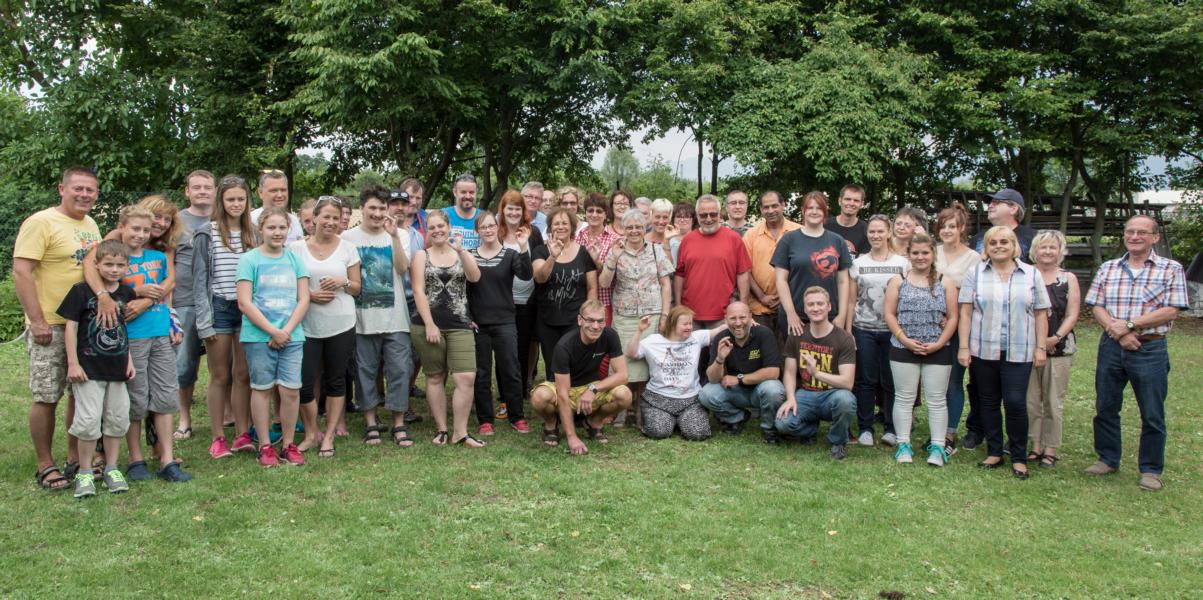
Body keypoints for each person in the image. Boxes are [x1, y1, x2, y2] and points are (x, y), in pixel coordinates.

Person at [14, 166, 103, 491]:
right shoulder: (41, 222)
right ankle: (45, 464)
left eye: (90, 190)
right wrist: (37, 320)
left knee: (79, 393)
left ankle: (74, 457)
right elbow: (22, 272)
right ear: (62, 189)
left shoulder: (90, 224)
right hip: (51, 323)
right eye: (78, 188)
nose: (84, 195)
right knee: (47, 395)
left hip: (82, 324)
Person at [1085, 215, 1188, 491]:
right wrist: (1118, 332)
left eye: (1142, 232)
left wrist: (1130, 325)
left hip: (1149, 347)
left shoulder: (1170, 268)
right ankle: (1107, 459)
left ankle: (1150, 469)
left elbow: (1172, 309)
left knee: (1152, 411)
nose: (1134, 236)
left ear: (1155, 237)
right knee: (1106, 406)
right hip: (1111, 346)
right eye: (1130, 231)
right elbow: (1096, 305)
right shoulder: (1109, 268)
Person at [957, 226, 1050, 480]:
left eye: (1004, 242)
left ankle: (1018, 456)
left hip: (1019, 350)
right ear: (987, 247)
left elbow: (1041, 313)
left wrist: (1041, 347)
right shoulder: (975, 273)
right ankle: (995, 451)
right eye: (993, 242)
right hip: (983, 349)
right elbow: (966, 312)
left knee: (1015, 402)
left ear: (1014, 245)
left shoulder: (1031, 274)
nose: (999, 246)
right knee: (987, 402)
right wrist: (964, 347)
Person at [115, 205, 190, 482]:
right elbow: (108, 290)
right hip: (132, 335)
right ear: (122, 227)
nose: (141, 234)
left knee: (166, 395)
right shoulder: (116, 258)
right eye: (135, 228)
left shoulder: (158, 257)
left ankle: (167, 459)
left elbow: (168, 291)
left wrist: (173, 323)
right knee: (136, 396)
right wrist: (136, 291)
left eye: (146, 230)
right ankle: (136, 459)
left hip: (160, 333)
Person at [57, 240, 137, 497]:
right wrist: (73, 363)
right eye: (109, 264)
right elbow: (70, 327)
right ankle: (84, 471)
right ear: (97, 265)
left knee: (117, 419)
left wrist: (129, 360)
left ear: (127, 266)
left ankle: (112, 468)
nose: (114, 270)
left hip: (118, 368)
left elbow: (123, 330)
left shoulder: (126, 293)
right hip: (88, 369)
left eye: (120, 265)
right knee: (89, 421)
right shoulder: (81, 292)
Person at [237, 207, 311, 467]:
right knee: (262, 389)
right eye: (271, 227)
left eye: (282, 227)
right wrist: (272, 331)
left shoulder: (295, 260)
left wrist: (285, 331)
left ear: (288, 230)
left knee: (290, 390)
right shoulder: (249, 260)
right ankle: (266, 445)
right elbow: (245, 302)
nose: (277, 232)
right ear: (261, 229)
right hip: (259, 336)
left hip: (292, 336)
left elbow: (304, 298)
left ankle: (289, 444)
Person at [342, 185, 415, 446]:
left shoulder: (400, 234)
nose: (376, 213)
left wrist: (393, 236)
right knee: (365, 371)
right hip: (361, 319)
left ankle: (398, 422)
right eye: (372, 207)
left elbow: (403, 268)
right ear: (362, 208)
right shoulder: (348, 238)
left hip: (396, 318)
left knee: (400, 370)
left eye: (381, 208)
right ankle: (371, 422)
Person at [290, 197, 361, 457]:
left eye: (336, 218)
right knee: (304, 382)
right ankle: (311, 433)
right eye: (326, 217)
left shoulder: (348, 248)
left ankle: (329, 435)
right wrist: (309, 295)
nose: (331, 222)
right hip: (306, 324)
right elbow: (288, 285)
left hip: (341, 323)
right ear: (315, 218)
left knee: (336, 380)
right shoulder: (296, 248)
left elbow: (357, 288)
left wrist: (343, 282)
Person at [192, 175, 255, 458]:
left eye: (241, 199)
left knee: (243, 374)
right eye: (230, 199)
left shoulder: (254, 233)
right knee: (220, 375)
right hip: (218, 307)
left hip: (247, 308)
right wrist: (203, 321)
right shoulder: (207, 233)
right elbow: (199, 280)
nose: (236, 204)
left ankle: (242, 433)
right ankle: (218, 437)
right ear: (221, 200)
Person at [884, 232, 959, 466]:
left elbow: (953, 317)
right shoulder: (898, 281)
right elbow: (889, 314)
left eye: (925, 252)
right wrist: (904, 339)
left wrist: (939, 343)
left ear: (933, 254)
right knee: (904, 398)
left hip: (937, 348)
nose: (920, 257)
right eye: (915, 253)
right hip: (903, 347)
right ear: (909, 254)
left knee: (937, 399)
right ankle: (903, 444)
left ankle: (937, 447)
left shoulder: (945, 282)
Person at [411, 210, 483, 447]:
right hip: (427, 325)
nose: (437, 231)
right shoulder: (421, 255)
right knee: (435, 376)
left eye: (441, 226)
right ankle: (442, 429)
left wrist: (461, 251)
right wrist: (430, 324)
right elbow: (418, 291)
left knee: (466, 377)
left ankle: (460, 432)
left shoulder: (461, 252)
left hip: (460, 323)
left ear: (449, 227)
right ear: (427, 231)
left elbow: (475, 277)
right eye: (432, 227)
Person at [599, 209, 674, 427]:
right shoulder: (616, 249)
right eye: (629, 227)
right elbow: (604, 282)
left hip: (651, 315)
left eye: (638, 227)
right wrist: (613, 257)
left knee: (645, 363)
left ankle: (641, 410)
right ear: (623, 228)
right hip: (624, 316)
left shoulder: (656, 250)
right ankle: (622, 409)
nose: (634, 231)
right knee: (623, 363)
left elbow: (666, 284)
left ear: (644, 228)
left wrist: (664, 315)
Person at [530, 300, 632, 455]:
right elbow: (563, 394)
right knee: (539, 397)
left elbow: (623, 375)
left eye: (600, 321)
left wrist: (593, 388)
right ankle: (551, 423)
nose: (596, 326)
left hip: (591, 387)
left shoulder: (610, 335)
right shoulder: (564, 346)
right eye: (590, 320)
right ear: (580, 320)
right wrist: (572, 437)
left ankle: (593, 422)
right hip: (565, 389)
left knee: (625, 395)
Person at [468, 208, 533, 435]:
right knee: (482, 373)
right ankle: (485, 419)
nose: (487, 230)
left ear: (497, 228)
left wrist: (523, 247)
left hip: (505, 321)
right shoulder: (469, 256)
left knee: (511, 370)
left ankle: (517, 416)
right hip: (479, 324)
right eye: (483, 227)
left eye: (491, 225)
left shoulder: (510, 255)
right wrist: (468, 317)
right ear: (477, 231)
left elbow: (526, 275)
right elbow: (464, 291)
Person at [774, 287, 857, 460]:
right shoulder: (797, 334)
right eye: (810, 305)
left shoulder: (843, 338)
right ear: (805, 309)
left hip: (833, 394)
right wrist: (791, 398)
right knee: (782, 424)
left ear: (829, 307)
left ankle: (838, 441)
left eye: (820, 304)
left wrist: (817, 374)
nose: (815, 308)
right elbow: (789, 372)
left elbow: (847, 382)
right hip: (805, 394)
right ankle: (810, 429)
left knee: (846, 400)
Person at [847, 215, 908, 446]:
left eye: (880, 231)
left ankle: (891, 428)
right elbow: (851, 300)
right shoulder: (858, 263)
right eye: (872, 231)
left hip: (893, 330)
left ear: (889, 232)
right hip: (863, 328)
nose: (876, 235)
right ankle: (866, 427)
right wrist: (848, 330)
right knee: (866, 379)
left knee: (890, 380)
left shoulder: (903, 264)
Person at [628, 306, 725, 441]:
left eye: (690, 323)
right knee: (659, 431)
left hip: (690, 400)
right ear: (672, 324)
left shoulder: (696, 338)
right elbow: (632, 353)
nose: (689, 327)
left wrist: (747, 321)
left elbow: (720, 330)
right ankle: (673, 421)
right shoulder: (653, 340)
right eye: (685, 324)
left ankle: (681, 421)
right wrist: (639, 331)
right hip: (658, 400)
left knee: (698, 433)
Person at [1026, 230, 1079, 469]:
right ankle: (1035, 444)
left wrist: (1054, 338)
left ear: (1060, 251)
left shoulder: (1068, 278)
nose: (1047, 251)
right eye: (1043, 247)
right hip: (1027, 347)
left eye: (1052, 247)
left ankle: (1050, 447)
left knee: (1053, 400)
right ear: (1034, 250)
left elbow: (1072, 314)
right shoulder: (1025, 275)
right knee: (1031, 400)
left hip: (1058, 347)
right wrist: (1037, 341)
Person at [171, 170, 216, 441]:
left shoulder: (223, 218)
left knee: (221, 363)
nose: (202, 191)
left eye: (207, 187)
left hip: (217, 300)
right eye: (196, 187)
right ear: (187, 191)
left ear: (215, 190)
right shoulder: (177, 222)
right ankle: (184, 418)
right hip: (185, 300)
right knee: (184, 363)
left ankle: (225, 414)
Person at [698, 302, 784, 441]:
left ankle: (769, 429)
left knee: (773, 389)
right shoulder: (721, 338)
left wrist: (739, 378)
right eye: (733, 318)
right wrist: (720, 359)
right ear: (726, 319)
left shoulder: (764, 333)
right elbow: (712, 379)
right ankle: (737, 418)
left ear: (750, 316)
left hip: (760, 389)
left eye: (742, 317)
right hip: (736, 391)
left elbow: (773, 372)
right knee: (706, 394)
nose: (738, 323)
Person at [772, 191, 853, 336]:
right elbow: (780, 280)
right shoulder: (789, 240)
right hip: (797, 317)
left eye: (819, 208)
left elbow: (843, 281)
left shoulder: (837, 241)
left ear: (825, 211)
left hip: (829, 316)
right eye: (810, 208)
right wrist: (791, 314)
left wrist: (842, 315)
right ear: (803, 211)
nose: (814, 212)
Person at [934, 202, 980, 452]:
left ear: (962, 228)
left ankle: (949, 433)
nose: (947, 230)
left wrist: (952, 316)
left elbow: (974, 296)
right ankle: (936, 430)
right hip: (932, 325)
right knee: (935, 382)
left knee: (953, 381)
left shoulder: (974, 258)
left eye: (952, 226)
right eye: (943, 226)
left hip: (960, 325)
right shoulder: (933, 252)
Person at [533, 207, 598, 380]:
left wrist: (589, 315)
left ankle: (576, 395)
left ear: (572, 227)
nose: (561, 227)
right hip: (548, 320)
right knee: (552, 364)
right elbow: (540, 278)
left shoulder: (583, 253)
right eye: (556, 223)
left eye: (564, 223)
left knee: (575, 362)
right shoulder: (541, 251)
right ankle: (554, 395)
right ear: (550, 227)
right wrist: (552, 257)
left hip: (575, 320)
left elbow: (592, 287)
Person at [499, 190, 545, 414]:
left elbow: (539, 259)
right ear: (503, 210)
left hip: (527, 300)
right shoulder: (496, 232)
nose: (514, 213)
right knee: (504, 350)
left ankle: (520, 391)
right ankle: (503, 396)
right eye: (510, 208)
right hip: (502, 300)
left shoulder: (532, 232)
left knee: (523, 349)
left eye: (518, 209)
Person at [674, 194, 751, 326]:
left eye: (713, 214)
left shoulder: (734, 239)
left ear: (720, 214)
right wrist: (678, 306)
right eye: (704, 215)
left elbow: (743, 273)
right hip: (690, 316)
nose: (709, 219)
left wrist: (743, 307)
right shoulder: (687, 240)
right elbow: (680, 275)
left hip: (724, 315)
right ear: (697, 216)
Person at [744, 191, 801, 340]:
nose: (770, 211)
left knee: (788, 351)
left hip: (792, 307)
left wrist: (784, 296)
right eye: (766, 207)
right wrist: (762, 296)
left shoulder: (799, 232)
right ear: (761, 209)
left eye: (774, 206)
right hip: (758, 308)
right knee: (761, 351)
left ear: (783, 205)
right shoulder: (751, 235)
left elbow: (803, 270)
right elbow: (745, 270)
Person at [576, 193, 621, 320]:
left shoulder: (615, 240)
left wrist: (597, 261)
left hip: (605, 302)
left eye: (599, 211)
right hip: (579, 299)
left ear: (606, 214)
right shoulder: (577, 237)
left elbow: (616, 275)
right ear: (585, 213)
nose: (594, 214)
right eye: (590, 210)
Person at [971, 188, 1036, 263]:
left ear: (1013, 209)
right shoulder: (977, 239)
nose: (990, 206)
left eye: (996, 202)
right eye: (990, 203)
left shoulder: (1035, 238)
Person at [249, 169, 305, 243]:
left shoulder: (294, 221)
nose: (279, 195)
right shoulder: (250, 220)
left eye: (283, 190)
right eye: (274, 190)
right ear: (260, 193)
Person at [825, 184, 870, 256]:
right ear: (840, 201)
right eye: (848, 199)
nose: (851, 203)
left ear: (862, 204)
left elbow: (864, 260)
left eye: (856, 200)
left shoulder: (867, 230)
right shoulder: (825, 226)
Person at [443, 174, 482, 250]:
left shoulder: (484, 217)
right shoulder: (443, 215)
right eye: (463, 192)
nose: (468, 196)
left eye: (471, 192)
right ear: (455, 192)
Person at [668, 202, 696, 266]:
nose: (682, 220)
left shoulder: (698, 238)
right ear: (673, 219)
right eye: (678, 216)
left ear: (693, 220)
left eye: (686, 217)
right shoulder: (668, 238)